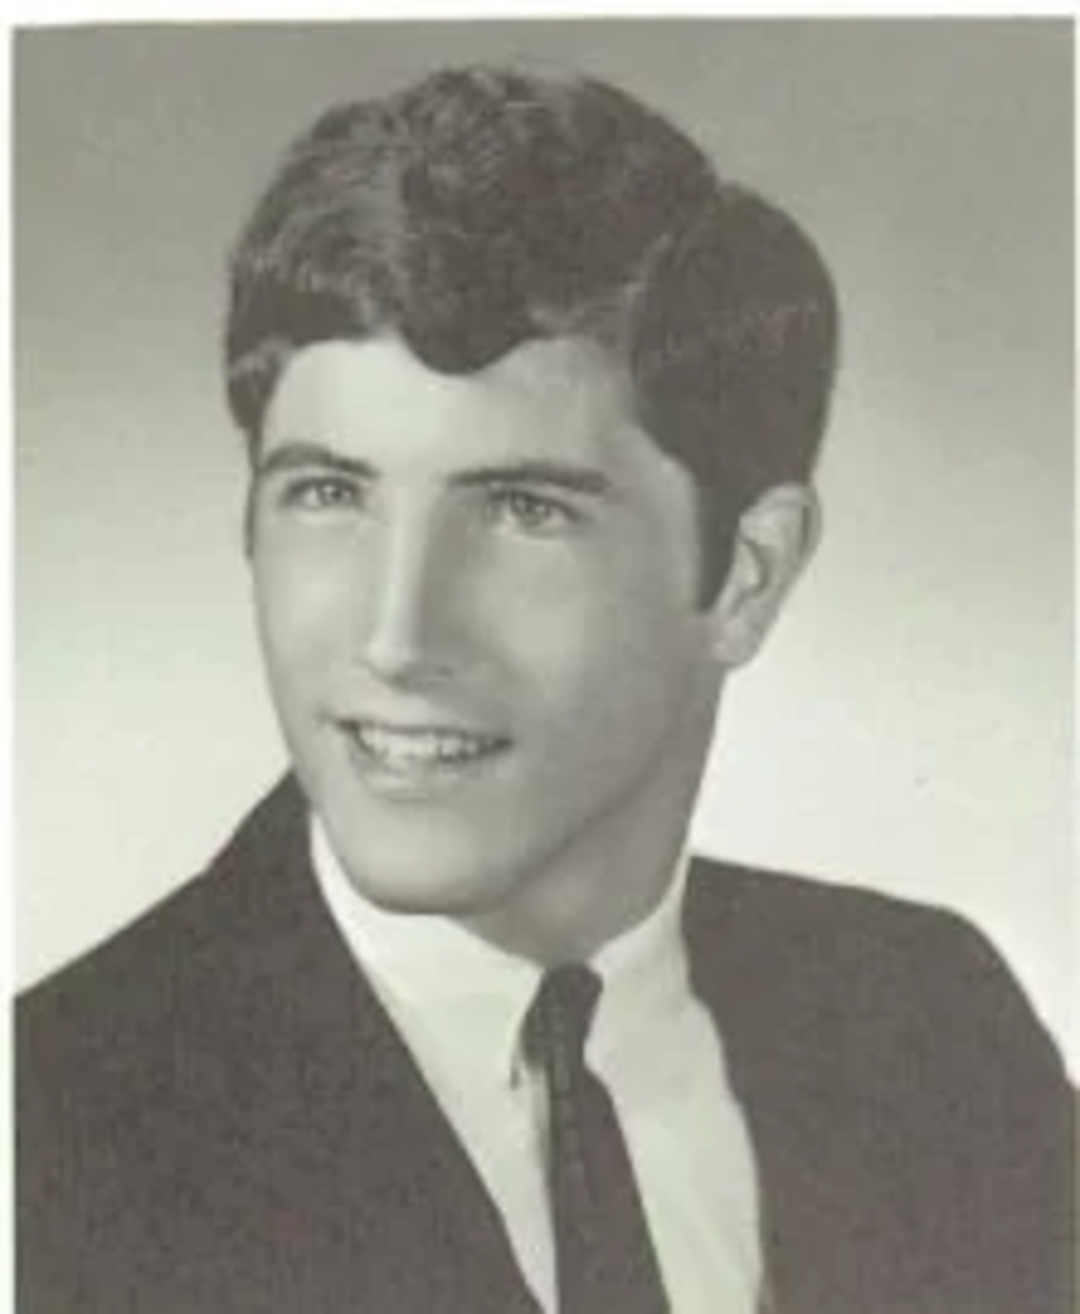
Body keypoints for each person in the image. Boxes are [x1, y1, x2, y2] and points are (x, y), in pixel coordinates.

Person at [16, 63, 1073, 1314]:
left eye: (522, 510)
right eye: (329, 493)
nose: (397, 636)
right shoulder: (47, 1131)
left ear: (747, 574)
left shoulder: (934, 1027)